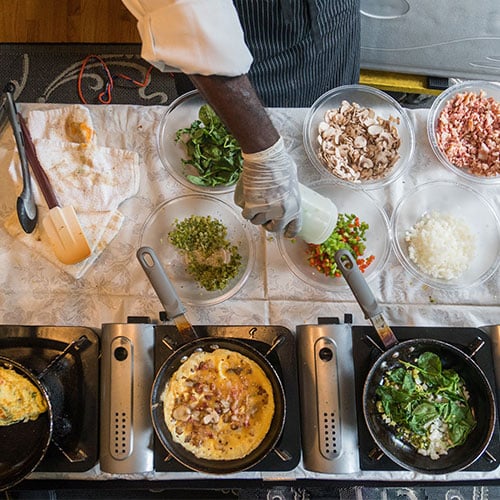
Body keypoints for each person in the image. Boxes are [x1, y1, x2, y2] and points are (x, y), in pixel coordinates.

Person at [121, 0, 360, 237]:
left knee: (330, 127)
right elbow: (189, 16)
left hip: (334, 16)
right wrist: (265, 154)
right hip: (244, 29)